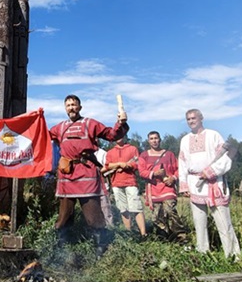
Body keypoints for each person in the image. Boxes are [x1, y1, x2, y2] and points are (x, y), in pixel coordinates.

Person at [49, 94, 128, 253]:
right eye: (68, 105)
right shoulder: (59, 128)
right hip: (67, 176)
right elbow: (41, 136)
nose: (71, 107)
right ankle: (62, 252)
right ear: (65, 108)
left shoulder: (90, 124)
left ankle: (101, 250)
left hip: (86, 174)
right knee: (64, 216)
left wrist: (121, 123)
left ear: (80, 107)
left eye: (74, 104)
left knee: (93, 216)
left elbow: (112, 135)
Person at [179, 109, 241, 258]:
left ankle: (233, 255)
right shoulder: (185, 140)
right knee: (199, 222)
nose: (191, 121)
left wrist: (212, 171)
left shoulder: (214, 135)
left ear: (201, 118)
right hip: (195, 182)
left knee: (223, 221)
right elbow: (182, 162)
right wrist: (184, 184)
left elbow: (225, 158)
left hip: (214, 182)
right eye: (188, 119)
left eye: (194, 118)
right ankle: (203, 253)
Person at [138, 131, 186, 241]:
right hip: (153, 189)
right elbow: (141, 171)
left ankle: (180, 236)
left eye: (156, 138)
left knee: (170, 210)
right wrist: (154, 174)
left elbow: (178, 169)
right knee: (156, 217)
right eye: (151, 138)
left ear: (160, 139)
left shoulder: (169, 154)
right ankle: (164, 236)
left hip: (167, 187)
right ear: (148, 141)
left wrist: (173, 178)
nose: (154, 140)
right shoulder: (144, 155)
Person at [104, 136, 147, 237]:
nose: (118, 137)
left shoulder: (132, 149)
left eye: (121, 134)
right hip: (116, 184)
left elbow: (137, 163)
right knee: (123, 209)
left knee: (136, 208)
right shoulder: (110, 152)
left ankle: (143, 234)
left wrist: (128, 166)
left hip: (130, 182)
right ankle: (129, 233)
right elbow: (107, 166)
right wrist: (118, 164)